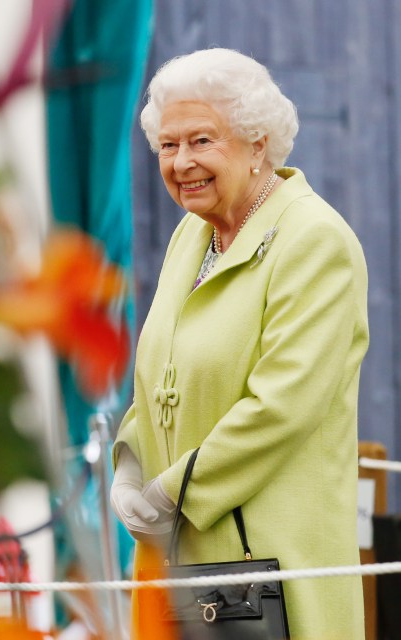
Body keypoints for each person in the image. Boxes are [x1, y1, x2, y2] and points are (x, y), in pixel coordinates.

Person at [110, 47, 368, 638]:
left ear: (258, 144)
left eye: (201, 141)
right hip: (180, 575)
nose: (181, 163)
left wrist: (169, 494)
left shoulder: (313, 241)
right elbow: (158, 379)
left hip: (269, 574)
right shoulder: (191, 236)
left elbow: (282, 405)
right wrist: (129, 467)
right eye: (168, 146)